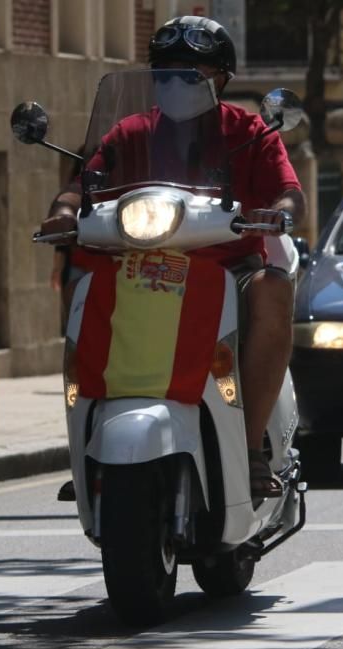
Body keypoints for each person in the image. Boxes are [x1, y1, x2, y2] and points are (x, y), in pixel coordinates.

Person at [40, 16, 305, 500]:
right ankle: (88, 447)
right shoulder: (130, 132)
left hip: (229, 265)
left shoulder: (249, 130)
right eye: (164, 73)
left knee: (273, 290)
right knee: (85, 290)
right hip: (138, 262)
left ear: (220, 79)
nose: (174, 84)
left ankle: (250, 450)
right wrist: (62, 211)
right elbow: (84, 184)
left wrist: (282, 211)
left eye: (191, 74)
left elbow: (288, 192)